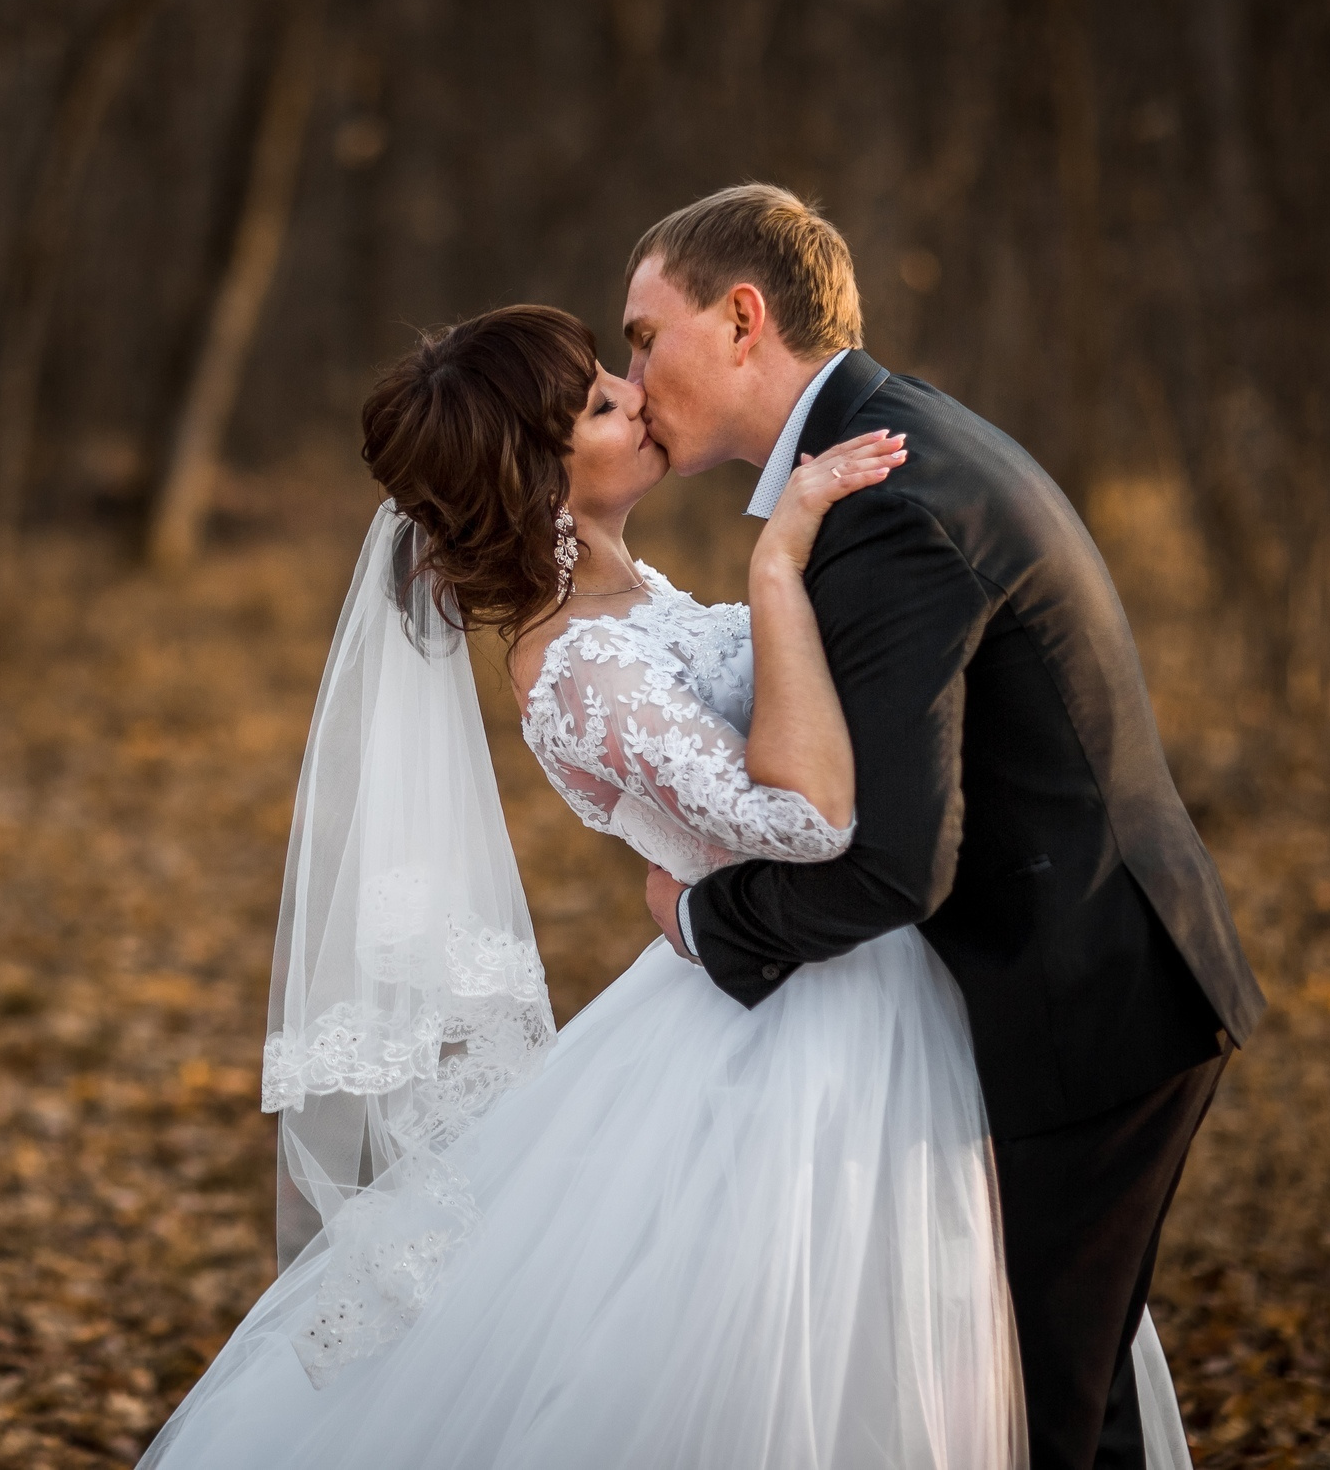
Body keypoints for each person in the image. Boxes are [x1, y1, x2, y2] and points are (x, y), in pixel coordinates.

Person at [141, 290, 1197, 1467]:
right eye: (598, 403)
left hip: (847, 970)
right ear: (539, 480)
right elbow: (803, 819)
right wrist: (777, 567)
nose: (635, 395)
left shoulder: (628, 600)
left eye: (616, 371)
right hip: (804, 1026)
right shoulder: (577, 666)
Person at [623, 184, 1264, 1469]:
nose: (629, 380)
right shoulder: (886, 445)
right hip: (1081, 968)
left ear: (742, 320)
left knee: (1039, 1418)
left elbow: (893, 866)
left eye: (643, 337)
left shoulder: (888, 503)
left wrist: (700, 917)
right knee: (1052, 1406)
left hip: (1083, 1003)